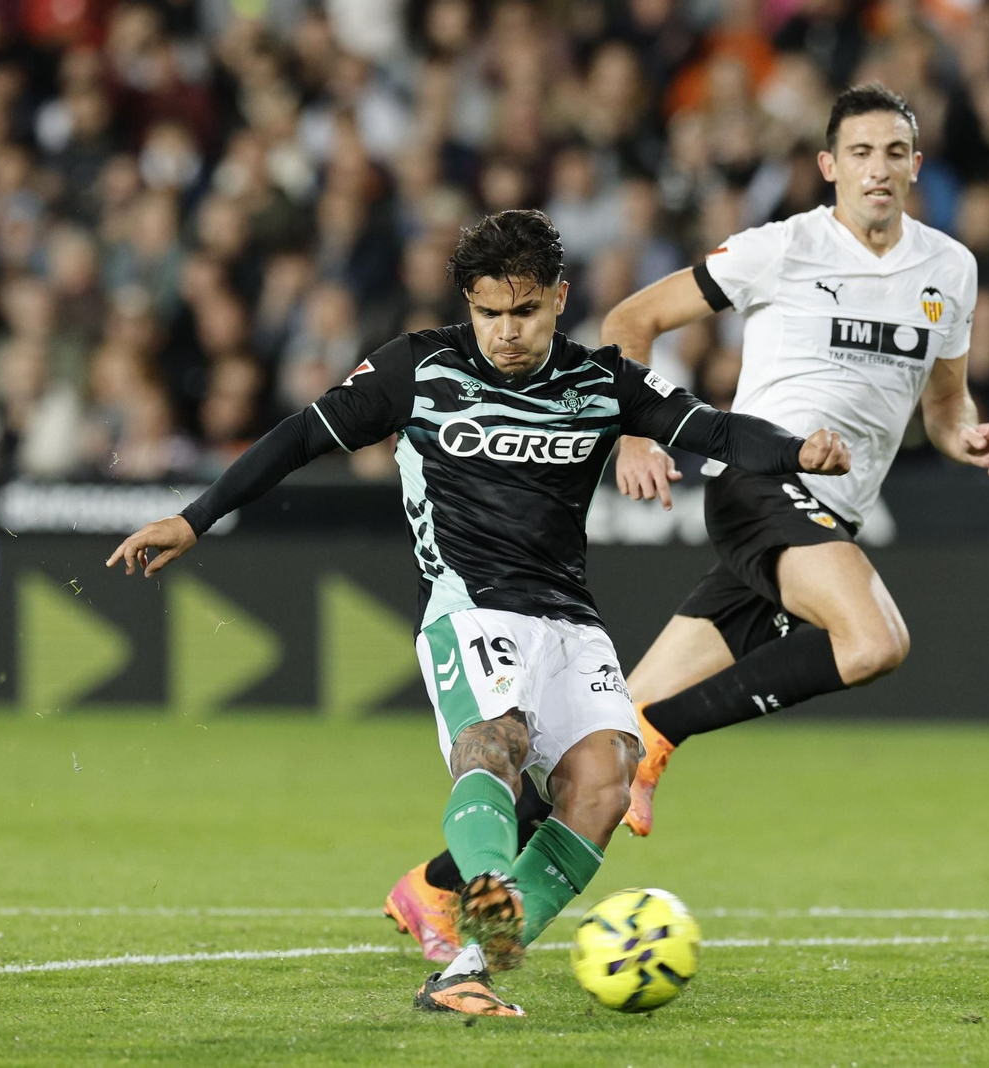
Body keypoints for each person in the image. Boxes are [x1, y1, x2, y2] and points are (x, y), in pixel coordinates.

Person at [104, 209, 851, 1017]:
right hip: (468, 607)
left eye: (524, 312)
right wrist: (196, 516)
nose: (506, 332)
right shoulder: (417, 369)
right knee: (495, 742)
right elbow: (300, 436)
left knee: (603, 784)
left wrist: (796, 451)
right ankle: (488, 882)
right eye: (490, 312)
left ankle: (466, 967)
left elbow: (712, 429)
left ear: (560, 299)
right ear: (467, 302)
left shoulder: (602, 382)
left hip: (570, 620)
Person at [385, 84, 989, 960]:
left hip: (832, 517)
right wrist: (637, 437)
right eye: (860, 153)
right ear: (829, 166)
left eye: (895, 152)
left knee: (601, 744)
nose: (878, 169)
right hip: (764, 492)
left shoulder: (950, 268)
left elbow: (944, 407)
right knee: (873, 641)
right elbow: (631, 320)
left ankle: (435, 886)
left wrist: (969, 436)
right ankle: (664, 737)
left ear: (916, 164)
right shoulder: (781, 248)